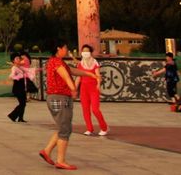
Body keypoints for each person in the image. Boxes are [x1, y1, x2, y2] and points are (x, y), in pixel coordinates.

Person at [38, 40, 96, 171]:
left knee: (62, 127)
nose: (67, 49)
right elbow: (65, 76)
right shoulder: (57, 62)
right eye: (65, 47)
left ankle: (47, 151)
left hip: (57, 97)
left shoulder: (55, 61)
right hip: (60, 97)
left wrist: (88, 73)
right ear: (59, 48)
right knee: (65, 129)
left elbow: (72, 71)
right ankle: (61, 160)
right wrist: (73, 89)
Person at [77, 44, 108, 136]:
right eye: (83, 51)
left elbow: (98, 75)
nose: (85, 53)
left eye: (87, 51)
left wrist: (98, 84)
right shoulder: (80, 64)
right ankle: (89, 128)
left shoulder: (95, 63)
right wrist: (74, 88)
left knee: (95, 109)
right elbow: (78, 77)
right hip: (84, 89)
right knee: (85, 110)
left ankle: (104, 128)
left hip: (93, 88)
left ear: (90, 52)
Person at [7, 51, 28, 123]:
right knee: (22, 103)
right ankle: (12, 115)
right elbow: (12, 75)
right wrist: (15, 77)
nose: (18, 59)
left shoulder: (19, 67)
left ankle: (20, 118)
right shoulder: (14, 68)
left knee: (23, 103)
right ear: (13, 60)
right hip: (18, 87)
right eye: (16, 58)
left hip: (22, 87)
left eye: (19, 58)